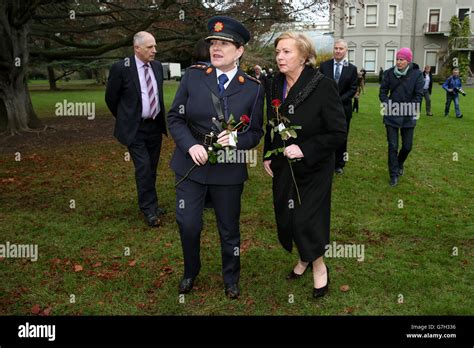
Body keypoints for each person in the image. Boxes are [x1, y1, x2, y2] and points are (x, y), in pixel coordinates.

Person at [167, 16, 264, 299]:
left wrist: (237, 139)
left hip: (228, 170)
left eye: (224, 44)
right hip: (190, 164)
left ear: (240, 50)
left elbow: (255, 132)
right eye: (213, 43)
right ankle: (190, 271)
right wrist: (188, 146)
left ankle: (231, 277)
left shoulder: (253, 88)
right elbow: (175, 117)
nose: (216, 48)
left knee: (229, 228)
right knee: (188, 222)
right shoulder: (194, 76)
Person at [263, 32, 347, 299]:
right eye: (277, 52)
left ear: (304, 56)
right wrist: (268, 153)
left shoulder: (323, 85)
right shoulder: (275, 84)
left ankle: (318, 266)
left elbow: (337, 132)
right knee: (287, 217)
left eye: (286, 52)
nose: (279, 57)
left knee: (306, 219)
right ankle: (304, 258)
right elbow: (272, 123)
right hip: (283, 166)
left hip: (315, 167)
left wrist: (305, 148)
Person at [105, 31, 167, 227]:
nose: (154, 50)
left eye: (155, 46)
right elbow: (111, 98)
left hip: (155, 127)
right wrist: (126, 118)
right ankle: (149, 210)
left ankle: (152, 204)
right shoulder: (121, 68)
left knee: (152, 168)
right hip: (135, 129)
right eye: (150, 47)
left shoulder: (157, 67)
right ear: (136, 48)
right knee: (143, 168)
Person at [379, 47, 424, 187]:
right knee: (393, 146)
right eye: (397, 59)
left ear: (408, 61)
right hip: (392, 114)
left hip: (408, 115)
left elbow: (418, 95)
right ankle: (393, 175)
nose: (398, 62)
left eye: (402, 59)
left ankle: (399, 163)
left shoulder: (417, 75)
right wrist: (388, 104)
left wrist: (408, 109)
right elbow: (382, 93)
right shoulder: (388, 74)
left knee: (407, 146)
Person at [319, 39, 358, 175]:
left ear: (346, 51)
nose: (338, 51)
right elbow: (319, 85)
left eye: (341, 49)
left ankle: (339, 164)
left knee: (341, 136)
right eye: (336, 48)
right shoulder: (324, 66)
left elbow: (353, 89)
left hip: (343, 109)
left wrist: (338, 101)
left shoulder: (352, 69)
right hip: (325, 108)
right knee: (325, 134)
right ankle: (325, 160)